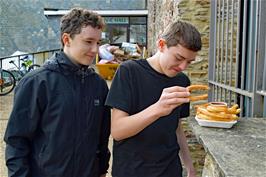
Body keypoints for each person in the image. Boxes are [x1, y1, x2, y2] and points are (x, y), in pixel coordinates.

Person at [4, 8, 111, 177]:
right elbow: (17, 141)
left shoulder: (99, 85)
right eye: (88, 41)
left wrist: (102, 170)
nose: (95, 50)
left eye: (98, 42)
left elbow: (102, 138)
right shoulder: (36, 83)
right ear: (66, 39)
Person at [105, 20, 202, 177]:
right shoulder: (129, 72)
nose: (183, 67)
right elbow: (118, 131)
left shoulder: (182, 81)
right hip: (132, 170)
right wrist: (158, 109)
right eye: (178, 58)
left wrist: (189, 165)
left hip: (170, 170)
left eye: (189, 62)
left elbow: (176, 127)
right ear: (162, 45)